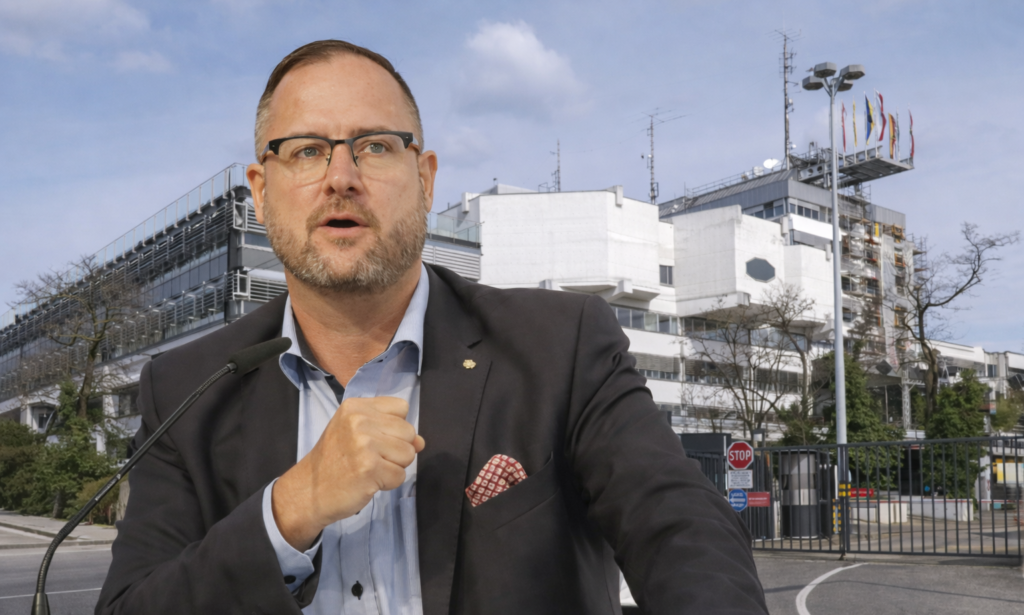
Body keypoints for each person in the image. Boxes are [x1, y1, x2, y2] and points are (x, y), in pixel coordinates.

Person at [97, 40, 767, 615]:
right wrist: (289, 509)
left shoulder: (560, 345)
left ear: (425, 178)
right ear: (262, 191)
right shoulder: (186, 390)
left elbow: (680, 525)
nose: (341, 178)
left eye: (375, 146)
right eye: (305, 151)